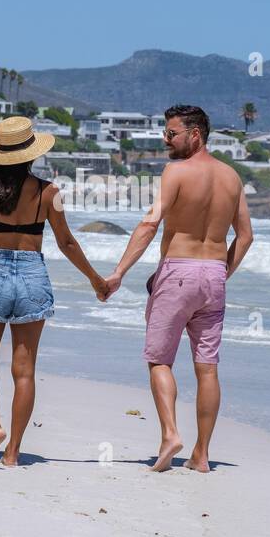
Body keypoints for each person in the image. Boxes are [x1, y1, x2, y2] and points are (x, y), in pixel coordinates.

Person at [0, 116, 109, 469]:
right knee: (24, 371)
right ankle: (12, 454)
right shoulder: (49, 192)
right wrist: (95, 279)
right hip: (32, 275)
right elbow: (67, 242)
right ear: (32, 154)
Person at [103, 104, 253, 471]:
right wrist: (219, 275)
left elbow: (150, 223)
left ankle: (170, 434)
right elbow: (246, 237)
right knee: (207, 369)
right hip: (215, 275)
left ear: (195, 134)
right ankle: (201, 456)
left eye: (171, 133)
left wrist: (119, 273)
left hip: (177, 274)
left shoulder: (176, 171)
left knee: (159, 360)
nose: (165, 139)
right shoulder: (232, 177)